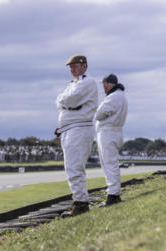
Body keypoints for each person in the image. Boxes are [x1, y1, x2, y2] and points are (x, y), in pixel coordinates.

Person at [55, 55, 98, 217]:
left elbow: (70, 100)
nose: (72, 69)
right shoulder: (73, 84)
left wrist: (64, 102)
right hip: (70, 128)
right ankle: (80, 200)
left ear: (84, 66)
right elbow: (60, 101)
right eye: (70, 67)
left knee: (74, 167)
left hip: (79, 128)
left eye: (75, 66)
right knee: (71, 166)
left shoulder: (88, 82)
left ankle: (80, 203)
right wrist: (64, 102)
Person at [95, 73, 128, 206]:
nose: (103, 87)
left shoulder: (114, 97)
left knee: (109, 164)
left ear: (107, 84)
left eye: (104, 84)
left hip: (108, 132)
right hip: (114, 131)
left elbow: (98, 114)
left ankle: (113, 195)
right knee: (110, 163)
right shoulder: (120, 95)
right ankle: (113, 193)